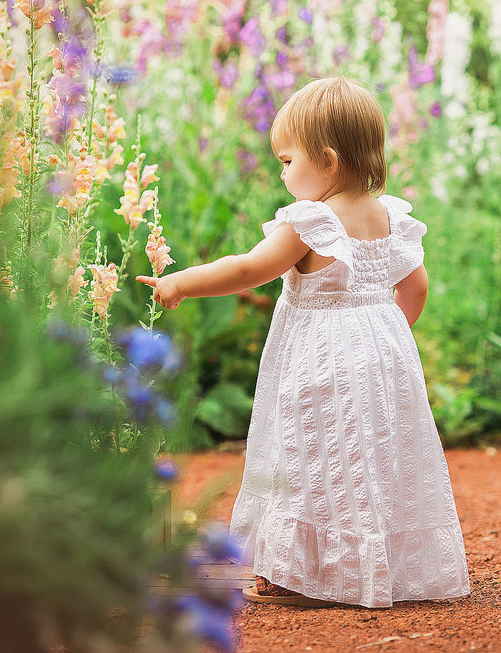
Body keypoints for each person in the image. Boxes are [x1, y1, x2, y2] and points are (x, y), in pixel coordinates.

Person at [137, 76, 470, 609]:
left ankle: (301, 571)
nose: (282, 171)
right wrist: (386, 337)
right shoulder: (389, 217)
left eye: (288, 160)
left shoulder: (312, 221)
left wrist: (181, 283)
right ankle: (378, 568)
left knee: (311, 453)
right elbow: (416, 286)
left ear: (329, 161)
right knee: (374, 459)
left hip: (321, 359)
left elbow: (250, 269)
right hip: (382, 355)